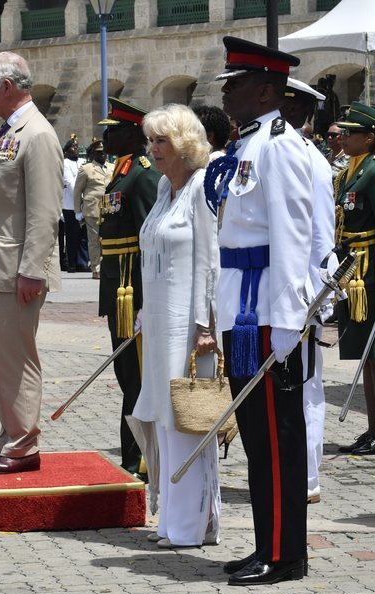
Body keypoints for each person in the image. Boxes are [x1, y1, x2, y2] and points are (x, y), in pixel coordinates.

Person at [212, 37, 313, 585]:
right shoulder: (249, 143)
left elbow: (295, 237)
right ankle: (267, 544)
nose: (227, 92)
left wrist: (289, 322)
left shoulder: (280, 146)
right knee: (257, 436)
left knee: (277, 437)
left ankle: (284, 553)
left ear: (266, 90)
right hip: (242, 305)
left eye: (236, 83)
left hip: (268, 309)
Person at [0, 51, 63, 474]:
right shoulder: (10, 130)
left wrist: (32, 270)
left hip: (14, 272)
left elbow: (45, 212)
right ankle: (11, 436)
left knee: (16, 360)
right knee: (1, 360)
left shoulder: (37, 133)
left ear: (8, 87)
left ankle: (23, 445)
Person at [132, 103, 220, 549]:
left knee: (187, 419)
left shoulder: (202, 187)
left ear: (185, 144)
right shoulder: (166, 189)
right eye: (151, 140)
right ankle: (172, 518)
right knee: (165, 417)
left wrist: (206, 323)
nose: (153, 149)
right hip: (162, 319)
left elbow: (210, 258)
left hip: (190, 323)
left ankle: (192, 524)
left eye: (161, 141)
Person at [332, 103, 375, 457]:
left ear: (369, 137)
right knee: (365, 354)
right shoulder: (349, 173)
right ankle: (374, 428)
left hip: (372, 272)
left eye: (350, 133)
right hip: (353, 269)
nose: (342, 137)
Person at [98, 96, 162, 475]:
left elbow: (150, 240)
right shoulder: (121, 172)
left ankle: (140, 458)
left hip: (133, 289)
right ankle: (131, 456)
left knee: (137, 377)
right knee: (127, 377)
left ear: (132, 134)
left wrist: (145, 300)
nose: (105, 136)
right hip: (117, 286)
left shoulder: (143, 174)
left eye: (113, 130)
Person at [282, 76, 336, 504]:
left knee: (305, 386)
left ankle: (308, 476)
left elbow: (321, 235)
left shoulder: (310, 160)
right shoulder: (280, 151)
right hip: (280, 290)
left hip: (302, 292)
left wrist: (318, 296)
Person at [73, 139, 112, 279]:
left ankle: (108, 266)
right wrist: (77, 211)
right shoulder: (86, 168)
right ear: (94, 154)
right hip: (92, 209)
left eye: (104, 152)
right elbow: (77, 191)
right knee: (94, 240)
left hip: (109, 209)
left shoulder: (113, 167)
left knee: (107, 239)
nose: (103, 155)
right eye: (99, 153)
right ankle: (96, 268)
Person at [62, 135, 85, 273]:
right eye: (72, 147)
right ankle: (71, 263)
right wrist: (81, 197)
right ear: (66, 151)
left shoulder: (82, 161)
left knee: (83, 236)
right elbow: (70, 183)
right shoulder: (65, 163)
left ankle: (82, 262)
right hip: (70, 204)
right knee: (72, 235)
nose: (75, 149)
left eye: (76, 147)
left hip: (83, 203)